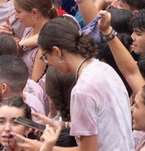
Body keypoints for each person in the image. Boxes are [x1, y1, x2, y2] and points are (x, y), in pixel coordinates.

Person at [37, 16, 134, 150]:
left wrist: (42, 147)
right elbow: (103, 124)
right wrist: (62, 125)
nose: (49, 64)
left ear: (57, 51)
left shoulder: (82, 90)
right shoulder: (105, 69)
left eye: (46, 57)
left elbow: (87, 150)